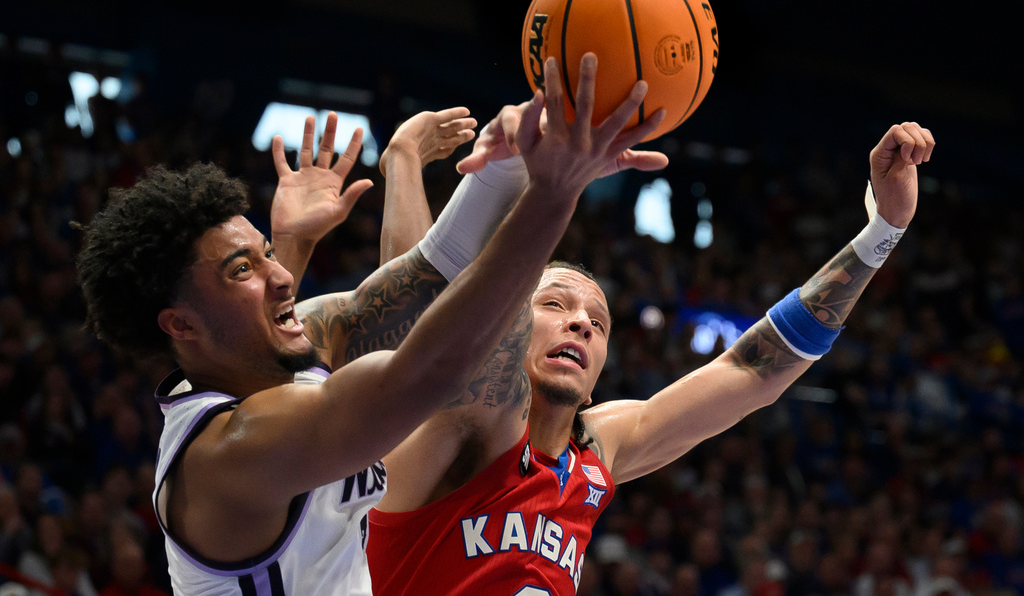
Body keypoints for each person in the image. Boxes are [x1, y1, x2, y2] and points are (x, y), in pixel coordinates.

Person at [74, 54, 667, 595]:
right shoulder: (231, 455)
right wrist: (552, 192)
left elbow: (419, 282)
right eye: (241, 269)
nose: (281, 277)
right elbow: (429, 370)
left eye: (266, 254)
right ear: (180, 325)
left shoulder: (285, 355)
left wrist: (500, 169)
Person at [361, 113, 935, 594]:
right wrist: (412, 158)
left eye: (598, 322)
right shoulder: (461, 426)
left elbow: (751, 368)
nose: (581, 323)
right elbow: (416, 320)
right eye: (555, 304)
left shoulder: (598, 449)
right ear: (507, 326)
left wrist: (883, 231)